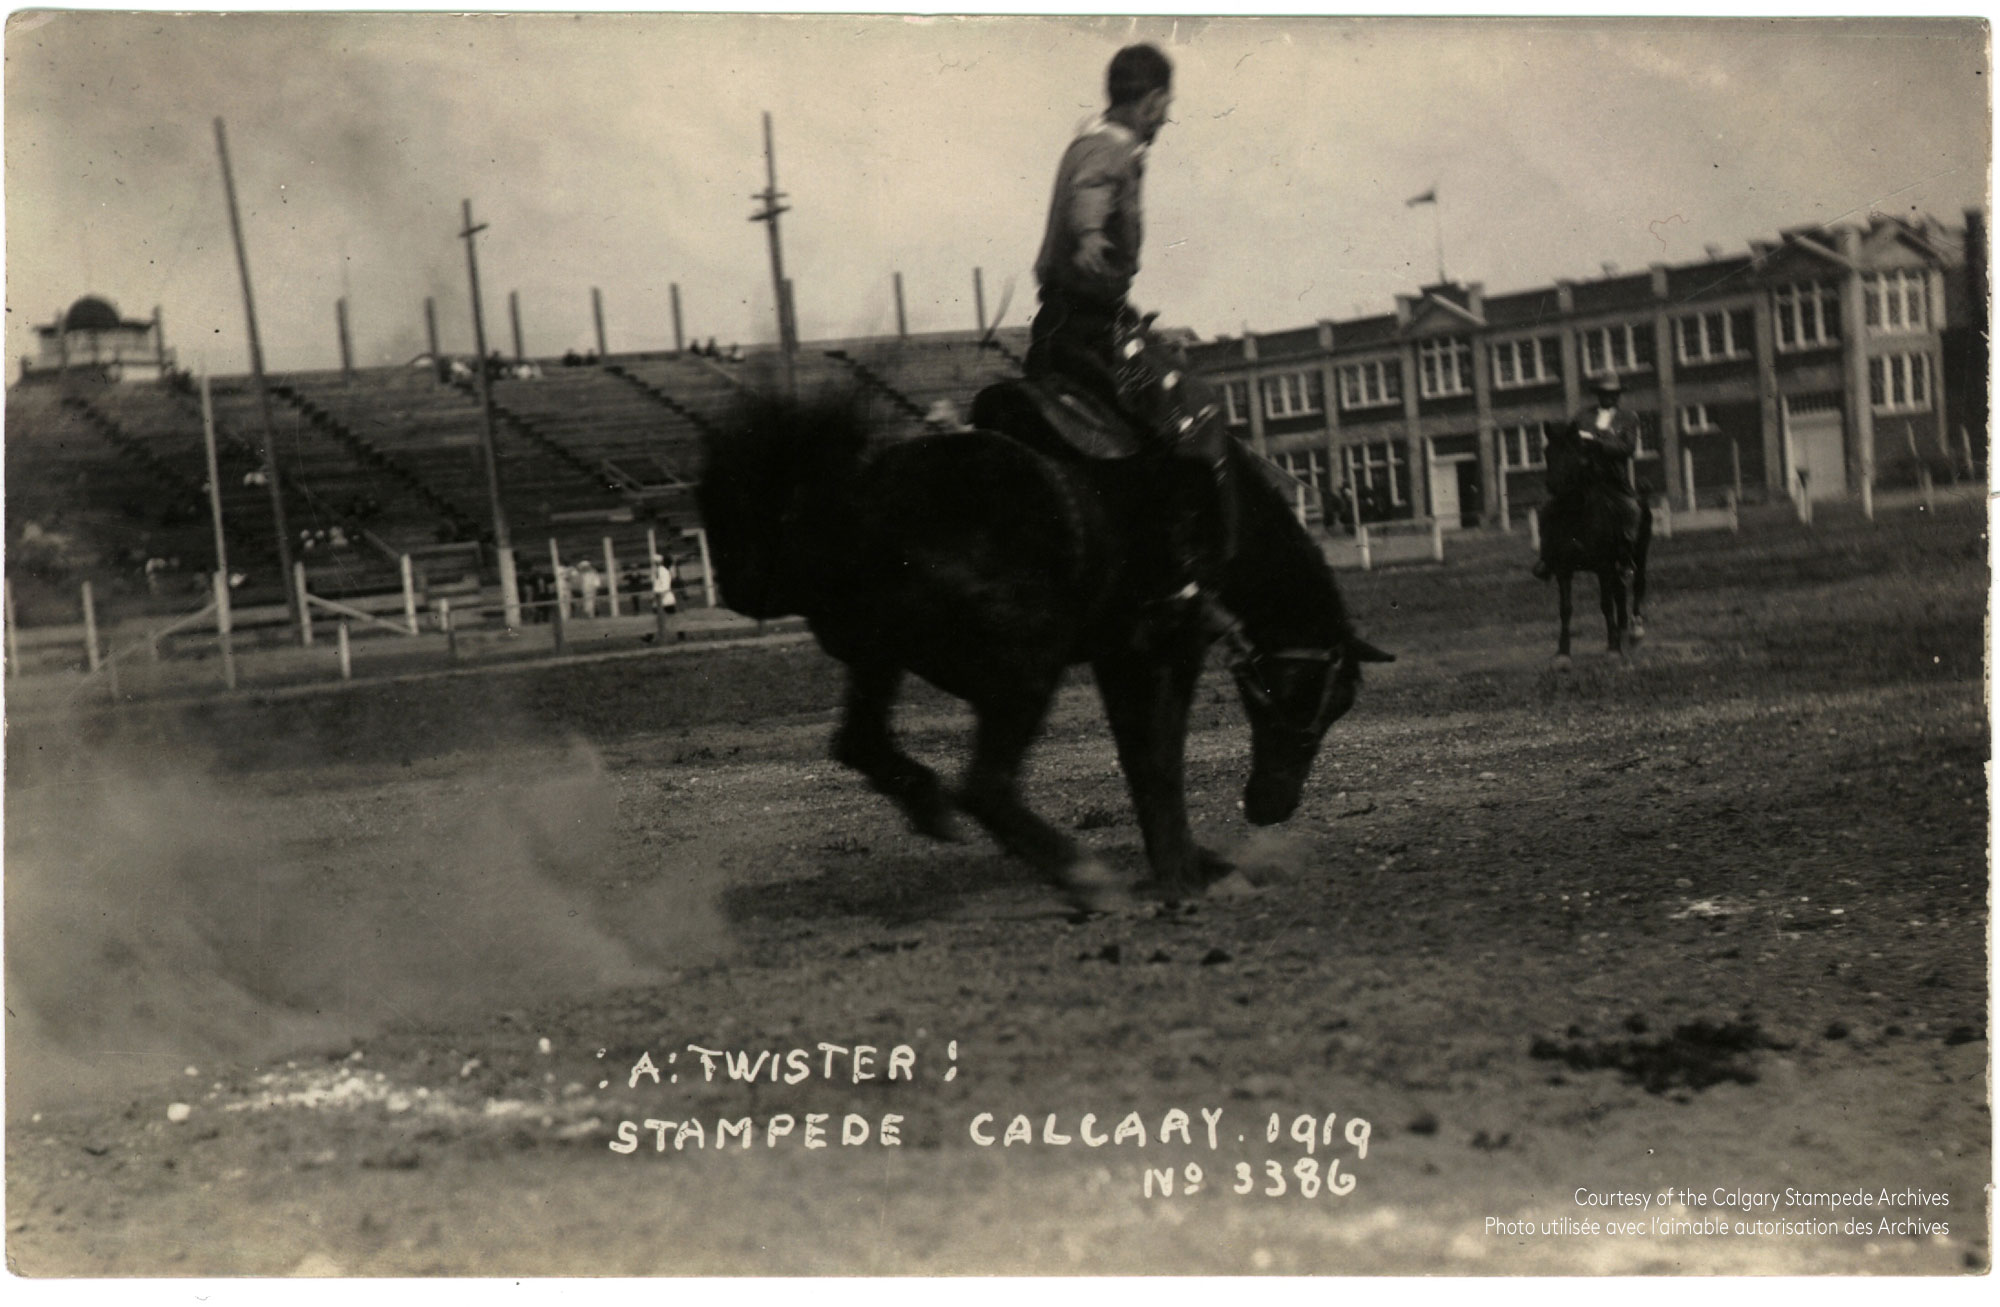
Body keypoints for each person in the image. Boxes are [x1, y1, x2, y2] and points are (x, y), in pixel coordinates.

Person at [1026, 42, 1241, 650]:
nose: (1167, 117)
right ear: (1150, 102)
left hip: (1072, 324)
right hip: (1090, 329)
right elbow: (1090, 194)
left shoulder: (1091, 141)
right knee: (1195, 409)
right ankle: (1182, 585)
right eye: (1165, 104)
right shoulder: (1109, 150)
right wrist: (1091, 234)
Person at [1534, 372, 1645, 582]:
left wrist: (1600, 444)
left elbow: (1628, 447)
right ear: (1598, 395)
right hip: (1585, 478)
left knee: (1632, 509)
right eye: (1604, 394)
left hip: (1613, 478)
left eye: (1612, 394)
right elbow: (1569, 441)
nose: (1608, 398)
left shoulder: (1628, 418)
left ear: (1618, 395)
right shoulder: (1582, 416)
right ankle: (1547, 559)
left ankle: (1625, 558)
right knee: (1547, 510)